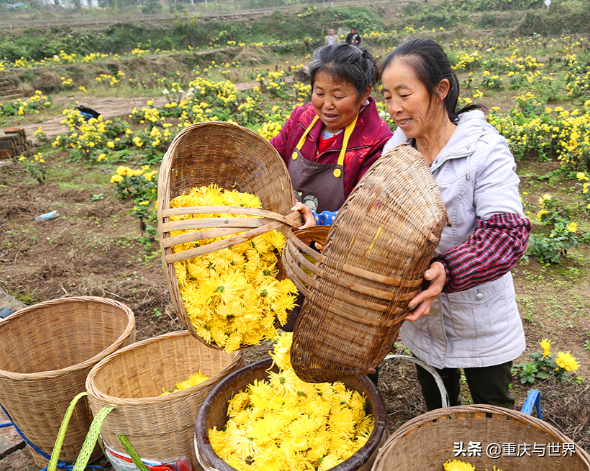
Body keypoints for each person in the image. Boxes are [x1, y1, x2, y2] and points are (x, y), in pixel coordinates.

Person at [307, 38, 531, 406]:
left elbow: (506, 234)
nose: (394, 108)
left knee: (492, 412)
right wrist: (321, 222)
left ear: (440, 90)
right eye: (388, 97)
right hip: (420, 319)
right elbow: (370, 218)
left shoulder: (484, 151)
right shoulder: (395, 153)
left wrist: (447, 269)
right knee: (439, 409)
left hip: (479, 317)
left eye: (404, 95)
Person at [270, 43, 393, 330]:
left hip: (341, 256)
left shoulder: (378, 140)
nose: (327, 104)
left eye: (339, 95)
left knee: (338, 333)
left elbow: (367, 211)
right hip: (293, 247)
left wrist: (318, 224)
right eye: (319, 93)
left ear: (365, 93)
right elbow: (272, 163)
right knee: (290, 326)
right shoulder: (301, 120)